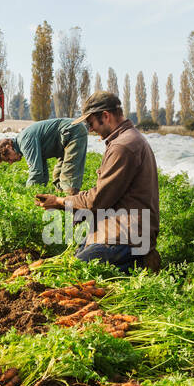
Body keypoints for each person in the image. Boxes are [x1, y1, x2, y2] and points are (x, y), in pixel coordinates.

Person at [34, 91, 160, 272]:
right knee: (72, 258)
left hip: (126, 237)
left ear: (106, 116)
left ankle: (140, 261)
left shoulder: (122, 147)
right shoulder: (128, 139)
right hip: (120, 231)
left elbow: (97, 199)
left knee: (74, 271)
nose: (91, 129)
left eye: (91, 123)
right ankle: (138, 260)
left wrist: (60, 202)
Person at [0, 115, 88, 195]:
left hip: (73, 132)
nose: (10, 162)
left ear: (9, 147)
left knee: (68, 178)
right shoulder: (23, 143)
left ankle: (71, 208)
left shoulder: (25, 142)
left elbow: (36, 171)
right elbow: (42, 173)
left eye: (8, 159)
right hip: (67, 137)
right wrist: (41, 192)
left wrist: (27, 195)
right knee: (57, 175)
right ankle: (62, 204)